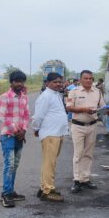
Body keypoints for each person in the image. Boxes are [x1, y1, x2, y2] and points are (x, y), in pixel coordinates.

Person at [31, 72, 69, 202]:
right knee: (49, 163)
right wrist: (36, 128)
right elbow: (38, 116)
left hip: (57, 133)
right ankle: (48, 191)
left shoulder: (56, 94)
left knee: (49, 162)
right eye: (55, 82)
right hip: (51, 134)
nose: (58, 84)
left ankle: (43, 188)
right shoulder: (46, 96)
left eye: (60, 81)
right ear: (47, 83)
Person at [65, 70, 105, 193]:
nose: (88, 80)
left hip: (92, 126)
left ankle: (85, 179)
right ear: (81, 80)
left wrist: (107, 111)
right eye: (86, 78)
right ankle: (76, 181)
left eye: (90, 78)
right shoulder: (74, 91)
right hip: (78, 126)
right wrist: (83, 109)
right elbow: (69, 108)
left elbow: (102, 107)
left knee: (88, 154)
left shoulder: (97, 92)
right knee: (78, 154)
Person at [0, 70, 30, 208]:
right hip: (8, 136)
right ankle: (6, 194)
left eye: (22, 81)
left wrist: (24, 130)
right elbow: (3, 117)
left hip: (20, 136)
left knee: (14, 165)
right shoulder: (4, 97)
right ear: (11, 82)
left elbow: (26, 115)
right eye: (17, 81)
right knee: (9, 165)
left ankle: (11, 191)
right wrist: (16, 131)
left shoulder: (24, 97)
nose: (20, 84)